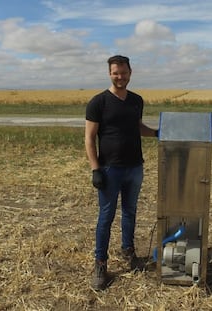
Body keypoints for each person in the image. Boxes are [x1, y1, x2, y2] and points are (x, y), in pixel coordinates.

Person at [85, 55, 158, 290]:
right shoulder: (99, 102)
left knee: (130, 212)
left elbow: (138, 127)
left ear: (130, 72)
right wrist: (96, 169)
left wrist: (158, 133)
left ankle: (128, 251)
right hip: (110, 169)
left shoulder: (136, 100)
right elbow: (89, 137)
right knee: (106, 216)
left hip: (135, 167)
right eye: (116, 73)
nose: (120, 76)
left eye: (124, 72)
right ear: (109, 73)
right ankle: (100, 263)